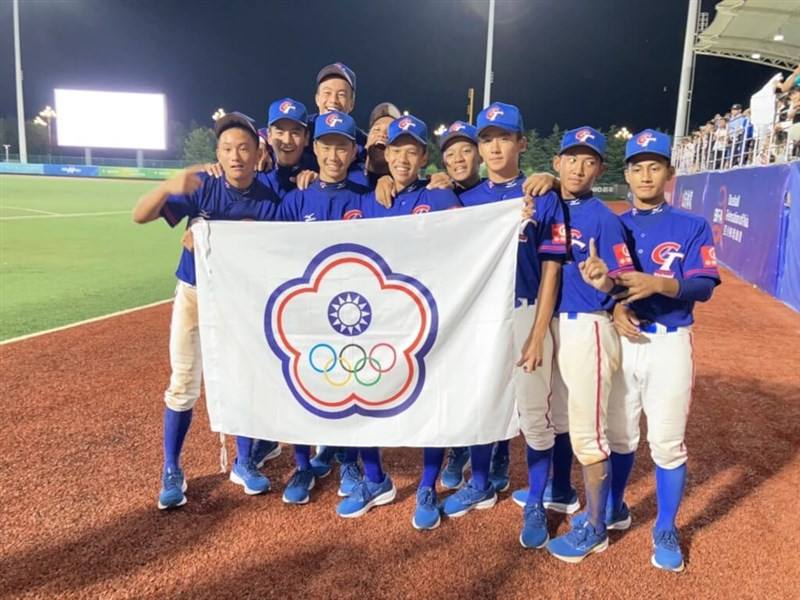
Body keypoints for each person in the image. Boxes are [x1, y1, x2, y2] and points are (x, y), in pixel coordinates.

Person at [576, 129, 720, 572]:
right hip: (623, 339)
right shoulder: (613, 222)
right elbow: (607, 281)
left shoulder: (691, 225)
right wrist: (611, 299)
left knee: (667, 444)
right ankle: (615, 507)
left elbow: (704, 285)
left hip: (669, 342)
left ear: (668, 174)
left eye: (653, 166)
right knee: (619, 435)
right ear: (626, 173)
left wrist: (660, 284)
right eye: (637, 167)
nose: (644, 174)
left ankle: (665, 525)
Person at [132, 112, 282, 508]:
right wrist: (170, 183)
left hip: (241, 298)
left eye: (245, 148)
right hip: (196, 294)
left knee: (246, 379)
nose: (236, 156)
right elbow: (139, 215)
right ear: (218, 153)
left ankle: (245, 459)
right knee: (184, 382)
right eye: (228, 149)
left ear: (258, 153)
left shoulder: (272, 195)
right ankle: (171, 468)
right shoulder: (203, 185)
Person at [440, 103, 567, 530]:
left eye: (504, 138)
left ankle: (535, 499)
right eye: (487, 139)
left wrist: (537, 332)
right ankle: (479, 482)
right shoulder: (464, 200)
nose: (495, 147)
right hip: (480, 316)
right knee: (480, 405)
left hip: (525, 312)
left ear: (521, 142)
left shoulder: (542, 196)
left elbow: (551, 269)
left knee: (534, 413)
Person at [541, 126, 636, 563]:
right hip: (560, 326)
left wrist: (609, 282)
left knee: (588, 433)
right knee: (564, 419)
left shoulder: (603, 217)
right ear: (557, 163)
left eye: (589, 160)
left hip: (590, 329)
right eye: (571, 158)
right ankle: (592, 512)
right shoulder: (551, 202)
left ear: (599, 168)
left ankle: (596, 528)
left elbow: (623, 281)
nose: (579, 167)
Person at [275, 110, 370, 505]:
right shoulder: (297, 199)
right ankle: (302, 464)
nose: (333, 155)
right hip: (306, 310)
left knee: (349, 386)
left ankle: (348, 459)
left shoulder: (367, 198)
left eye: (342, 147)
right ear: (315, 149)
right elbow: (270, 249)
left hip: (353, 312)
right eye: (327, 145)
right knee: (301, 386)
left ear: (353, 151)